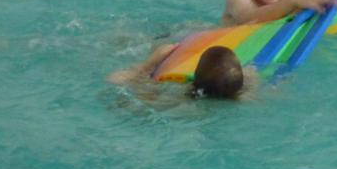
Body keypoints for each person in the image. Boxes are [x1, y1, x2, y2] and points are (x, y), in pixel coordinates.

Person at [107, 43, 254, 100]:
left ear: (194, 77)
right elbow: (251, 74)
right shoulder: (246, 98)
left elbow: (113, 78)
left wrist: (148, 65)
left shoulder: (181, 100)